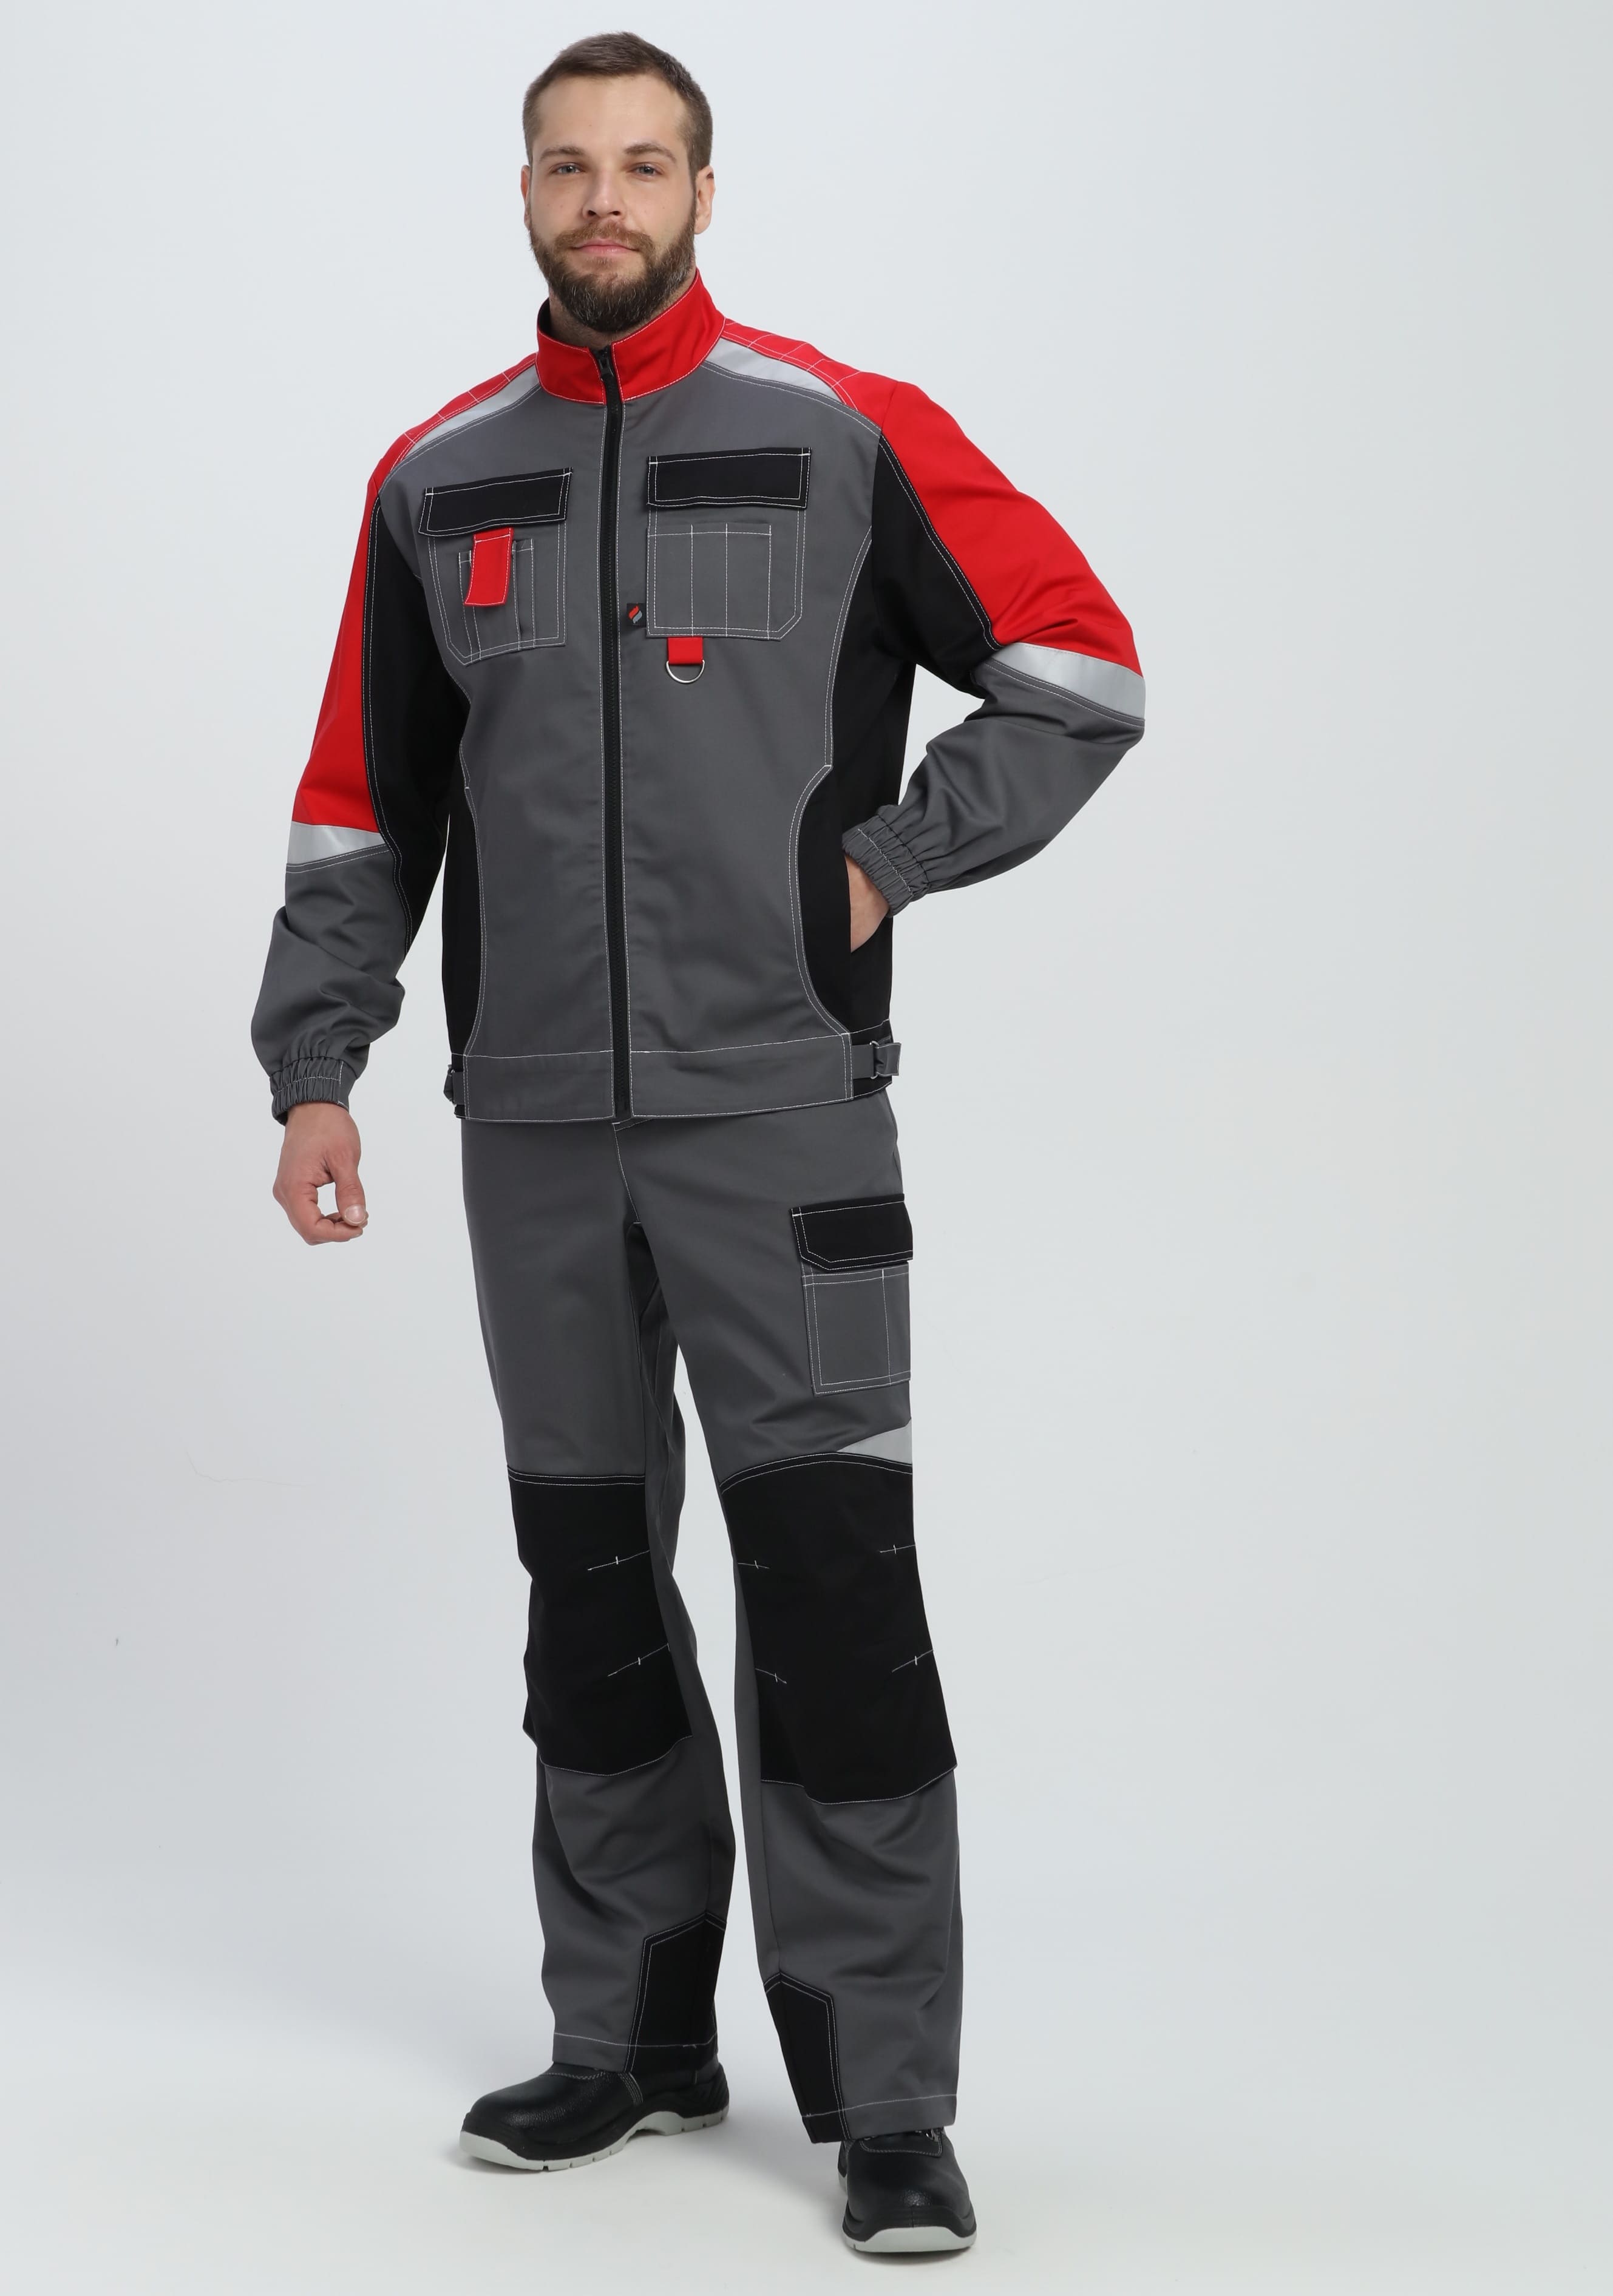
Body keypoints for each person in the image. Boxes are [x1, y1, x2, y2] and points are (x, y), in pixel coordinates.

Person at [253, 30, 1143, 2256]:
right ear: (524, 195)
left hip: (785, 1117)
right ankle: (631, 2040)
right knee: (586, 1592)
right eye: (568, 165)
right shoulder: (435, 475)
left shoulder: (841, 429)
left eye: (643, 164)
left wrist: (888, 859)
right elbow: (364, 798)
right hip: (534, 1129)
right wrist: (315, 1064)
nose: (604, 199)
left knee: (834, 1595)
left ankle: (887, 2103)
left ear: (703, 195)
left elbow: (1079, 667)